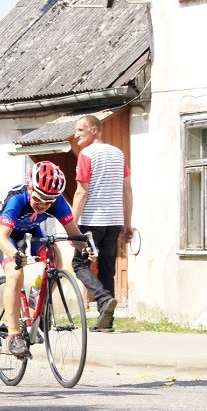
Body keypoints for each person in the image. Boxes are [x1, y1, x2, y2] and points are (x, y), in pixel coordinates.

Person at [0, 161, 90, 357]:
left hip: (31, 230)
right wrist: (14, 254)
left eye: (49, 201)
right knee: (15, 272)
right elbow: (2, 237)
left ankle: (37, 302)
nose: (43, 204)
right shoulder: (17, 199)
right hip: (6, 234)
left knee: (54, 254)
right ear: (30, 188)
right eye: (38, 198)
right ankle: (14, 334)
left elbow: (74, 235)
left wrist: (86, 249)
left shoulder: (58, 202)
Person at [71, 115, 133, 332]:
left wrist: (72, 225)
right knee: (107, 269)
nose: (77, 134)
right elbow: (127, 190)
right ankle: (106, 321)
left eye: (81, 130)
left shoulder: (86, 154)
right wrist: (127, 223)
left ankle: (103, 299)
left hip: (91, 220)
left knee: (79, 264)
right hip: (114, 221)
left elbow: (81, 192)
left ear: (95, 130)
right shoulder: (118, 153)